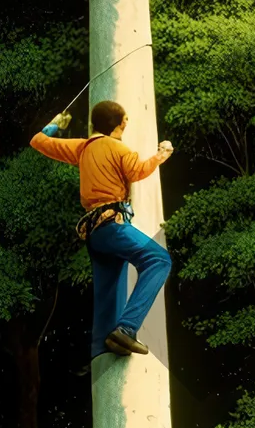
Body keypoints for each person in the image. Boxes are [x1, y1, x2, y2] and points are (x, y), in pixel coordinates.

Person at [29, 99, 174, 360]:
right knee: (158, 259)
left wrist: (54, 125)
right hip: (112, 226)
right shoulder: (118, 148)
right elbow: (138, 170)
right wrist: (161, 155)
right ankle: (127, 328)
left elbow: (38, 141)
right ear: (119, 124)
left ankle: (103, 351)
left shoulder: (83, 147)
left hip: (94, 234)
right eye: (124, 122)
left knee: (108, 293)